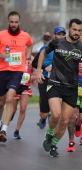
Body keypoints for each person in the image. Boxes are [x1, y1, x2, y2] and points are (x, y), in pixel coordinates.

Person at [37, 18, 82, 157]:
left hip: (72, 88)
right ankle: (49, 133)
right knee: (55, 114)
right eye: (74, 29)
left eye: (79, 30)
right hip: (55, 84)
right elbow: (43, 53)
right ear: (69, 28)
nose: (77, 33)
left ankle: (54, 144)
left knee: (65, 121)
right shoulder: (58, 42)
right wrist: (38, 71)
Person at [0, 11, 33, 142]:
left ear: (19, 22)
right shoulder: (1, 35)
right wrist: (1, 55)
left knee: (9, 99)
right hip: (2, 70)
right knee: (1, 101)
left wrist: (28, 58)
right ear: (8, 22)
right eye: (11, 22)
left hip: (17, 71)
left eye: (16, 22)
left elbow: (30, 44)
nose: (14, 24)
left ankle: (4, 130)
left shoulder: (25, 36)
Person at [32, 26, 66, 129]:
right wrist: (45, 66)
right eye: (58, 34)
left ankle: (52, 122)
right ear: (54, 35)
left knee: (57, 110)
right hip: (45, 80)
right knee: (44, 113)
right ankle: (43, 118)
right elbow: (34, 63)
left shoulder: (67, 49)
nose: (60, 36)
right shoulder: (46, 48)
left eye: (62, 35)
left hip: (59, 81)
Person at [11, 56, 36, 139]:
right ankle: (6, 122)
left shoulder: (32, 59)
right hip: (15, 85)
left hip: (26, 86)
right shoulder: (15, 55)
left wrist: (33, 76)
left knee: (23, 109)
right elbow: (7, 63)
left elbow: (35, 71)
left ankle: (17, 130)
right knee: (13, 110)